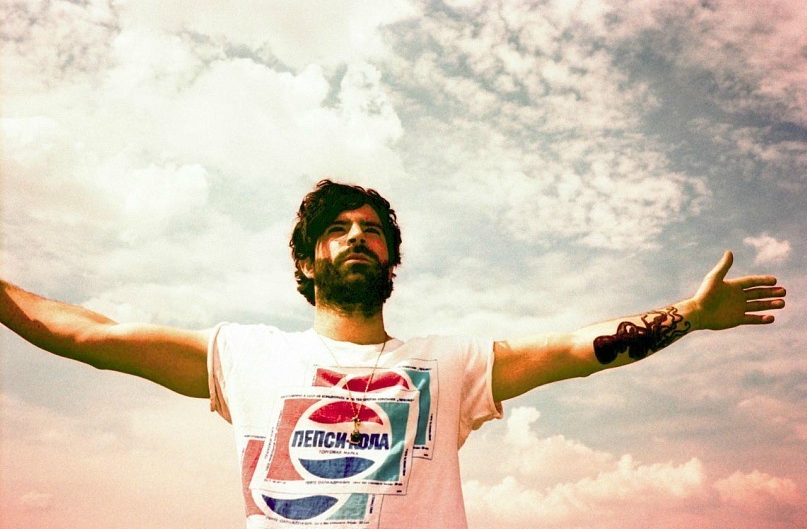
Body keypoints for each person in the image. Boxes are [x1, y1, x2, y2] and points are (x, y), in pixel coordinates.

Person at [0, 179, 787, 528]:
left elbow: (574, 348)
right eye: (336, 229)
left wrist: (687, 316)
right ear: (305, 260)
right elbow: (88, 335)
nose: (356, 237)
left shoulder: (450, 364)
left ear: (390, 260)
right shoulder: (246, 355)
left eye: (371, 229)